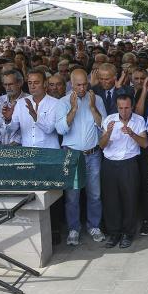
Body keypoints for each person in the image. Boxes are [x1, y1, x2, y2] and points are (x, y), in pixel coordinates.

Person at [55, 69, 106, 246]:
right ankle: (73, 229)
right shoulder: (62, 102)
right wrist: (74, 108)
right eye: (78, 85)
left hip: (93, 154)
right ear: (71, 84)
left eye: (85, 84)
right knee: (72, 196)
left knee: (95, 194)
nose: (83, 88)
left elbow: (104, 127)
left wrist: (92, 108)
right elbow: (61, 130)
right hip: (72, 154)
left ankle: (94, 226)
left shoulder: (96, 99)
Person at [99, 93, 148, 248]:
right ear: (116, 107)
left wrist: (132, 133)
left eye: (127, 108)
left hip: (129, 163)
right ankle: (114, 234)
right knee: (111, 200)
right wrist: (107, 133)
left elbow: (145, 144)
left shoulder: (139, 120)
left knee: (130, 199)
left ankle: (128, 233)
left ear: (131, 106)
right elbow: (101, 145)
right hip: (110, 164)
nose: (124, 111)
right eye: (121, 108)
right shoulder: (109, 120)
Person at [3, 71, 59, 148]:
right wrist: (8, 120)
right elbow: (11, 131)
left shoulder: (55, 103)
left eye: (36, 83)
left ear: (45, 83)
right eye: (30, 83)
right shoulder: (21, 103)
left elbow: (49, 129)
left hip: (49, 151)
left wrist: (35, 117)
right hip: (28, 151)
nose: (32, 86)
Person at [0, 70, 28, 145]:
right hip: (0, 147)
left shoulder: (28, 101)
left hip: (21, 147)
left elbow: (27, 126)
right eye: (5, 84)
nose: (8, 88)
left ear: (20, 83)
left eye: (11, 84)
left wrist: (16, 143)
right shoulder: (0, 100)